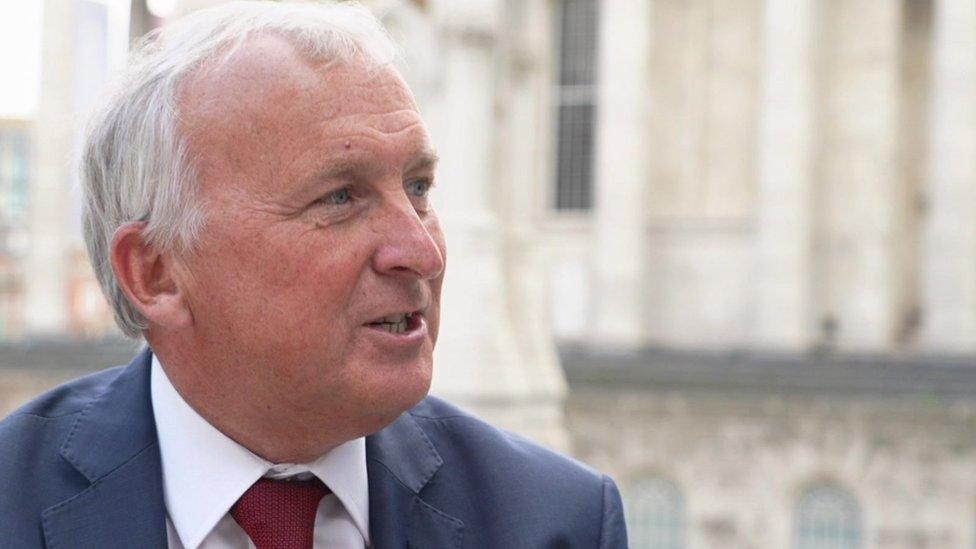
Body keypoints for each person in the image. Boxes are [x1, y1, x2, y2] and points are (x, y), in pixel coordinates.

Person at [0, 2, 627, 548]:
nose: (422, 252)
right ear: (157, 272)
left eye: (418, 187)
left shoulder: (556, 522)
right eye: (339, 198)